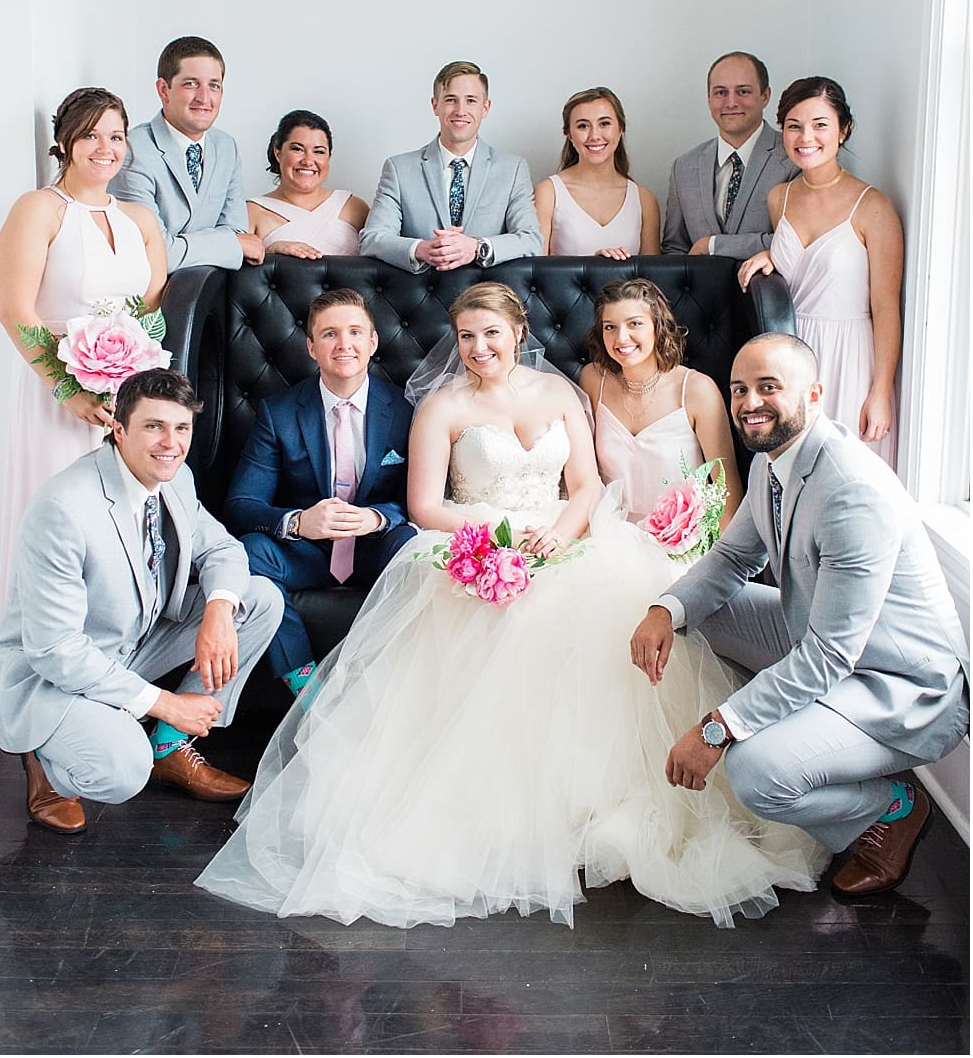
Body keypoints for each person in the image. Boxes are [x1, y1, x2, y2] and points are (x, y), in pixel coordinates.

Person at [197, 282, 825, 928]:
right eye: (466, 336)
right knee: (497, 619)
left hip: (562, 534)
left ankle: (596, 802)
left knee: (607, 610)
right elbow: (423, 506)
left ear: (518, 335)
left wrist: (556, 534)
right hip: (476, 541)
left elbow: (584, 485)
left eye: (490, 334)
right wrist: (492, 539)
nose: (477, 348)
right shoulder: (441, 406)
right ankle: (500, 812)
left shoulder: (560, 394)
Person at [633, 334, 968, 897]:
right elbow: (735, 557)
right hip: (815, 636)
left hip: (900, 686)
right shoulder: (776, 456)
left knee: (755, 773)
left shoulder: (852, 491)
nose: (748, 402)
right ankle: (795, 729)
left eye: (768, 387)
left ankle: (894, 807)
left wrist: (719, 728)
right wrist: (664, 609)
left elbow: (832, 654)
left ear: (813, 394)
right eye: (740, 389)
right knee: (700, 613)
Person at [0, 369, 284, 835]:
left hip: (131, 646)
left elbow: (222, 549)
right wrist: (164, 701)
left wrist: (218, 611)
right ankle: (45, 758)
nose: (171, 442)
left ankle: (169, 747)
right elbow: (55, 650)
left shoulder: (174, 476)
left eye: (181, 428)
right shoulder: (64, 509)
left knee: (258, 597)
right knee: (124, 769)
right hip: (53, 677)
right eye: (154, 427)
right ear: (118, 430)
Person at [0, 87, 167, 607]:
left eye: (115, 136)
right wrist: (69, 388)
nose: (105, 147)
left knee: (122, 523)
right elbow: (15, 311)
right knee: (60, 519)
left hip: (125, 398)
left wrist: (134, 385)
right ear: (66, 141)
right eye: (91, 134)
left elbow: (151, 312)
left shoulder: (140, 219)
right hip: (57, 396)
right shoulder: (40, 209)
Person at [222, 289, 413, 695]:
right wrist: (298, 522)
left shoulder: (405, 409)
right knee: (251, 550)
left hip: (372, 548)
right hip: (308, 553)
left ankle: (377, 676)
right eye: (329, 334)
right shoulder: (278, 412)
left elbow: (418, 499)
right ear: (311, 347)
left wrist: (378, 517)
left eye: (355, 332)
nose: (344, 344)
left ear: (373, 342)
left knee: (410, 543)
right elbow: (241, 504)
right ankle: (305, 687)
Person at [736, 77, 902, 464]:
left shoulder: (874, 206)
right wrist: (772, 254)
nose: (805, 136)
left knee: (846, 475)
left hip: (850, 355)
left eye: (820, 124)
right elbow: (803, 265)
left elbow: (886, 307)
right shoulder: (780, 197)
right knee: (790, 475)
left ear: (843, 130)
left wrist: (880, 391)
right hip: (792, 354)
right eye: (794, 125)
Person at [581, 277, 742, 523]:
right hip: (608, 532)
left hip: (682, 542)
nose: (621, 338)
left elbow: (727, 489)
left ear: (658, 326)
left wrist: (722, 559)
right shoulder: (593, 380)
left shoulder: (697, 390)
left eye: (634, 323)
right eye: (609, 327)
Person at [360, 61, 543, 273]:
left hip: (489, 297)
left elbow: (531, 240)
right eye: (450, 100)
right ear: (435, 105)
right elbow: (372, 238)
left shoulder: (513, 169)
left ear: (486, 108)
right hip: (417, 292)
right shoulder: (399, 168)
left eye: (471, 100)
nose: (460, 110)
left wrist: (476, 247)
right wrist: (421, 249)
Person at [112, 35, 263, 271]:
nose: (204, 98)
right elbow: (155, 254)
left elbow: (237, 232)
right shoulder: (132, 151)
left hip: (210, 291)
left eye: (214, 85)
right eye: (191, 83)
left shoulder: (226, 147)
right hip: (149, 299)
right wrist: (229, 245)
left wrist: (179, 245)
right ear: (164, 90)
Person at [661, 51, 790, 258]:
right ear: (709, 98)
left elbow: (796, 241)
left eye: (743, 92)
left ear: (765, 96)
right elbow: (674, 248)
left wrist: (711, 245)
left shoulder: (792, 158)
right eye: (721, 92)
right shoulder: (683, 167)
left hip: (766, 289)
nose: (731, 103)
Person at [534, 86, 660, 258]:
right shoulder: (547, 193)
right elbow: (537, 275)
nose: (594, 136)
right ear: (569, 134)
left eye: (604, 124)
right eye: (583, 126)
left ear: (620, 129)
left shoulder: (645, 200)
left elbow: (651, 279)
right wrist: (593, 268)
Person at [245, 111, 366, 258]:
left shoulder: (353, 206)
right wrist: (271, 252)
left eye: (319, 152)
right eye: (297, 149)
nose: (308, 161)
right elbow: (236, 272)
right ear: (278, 153)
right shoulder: (252, 212)